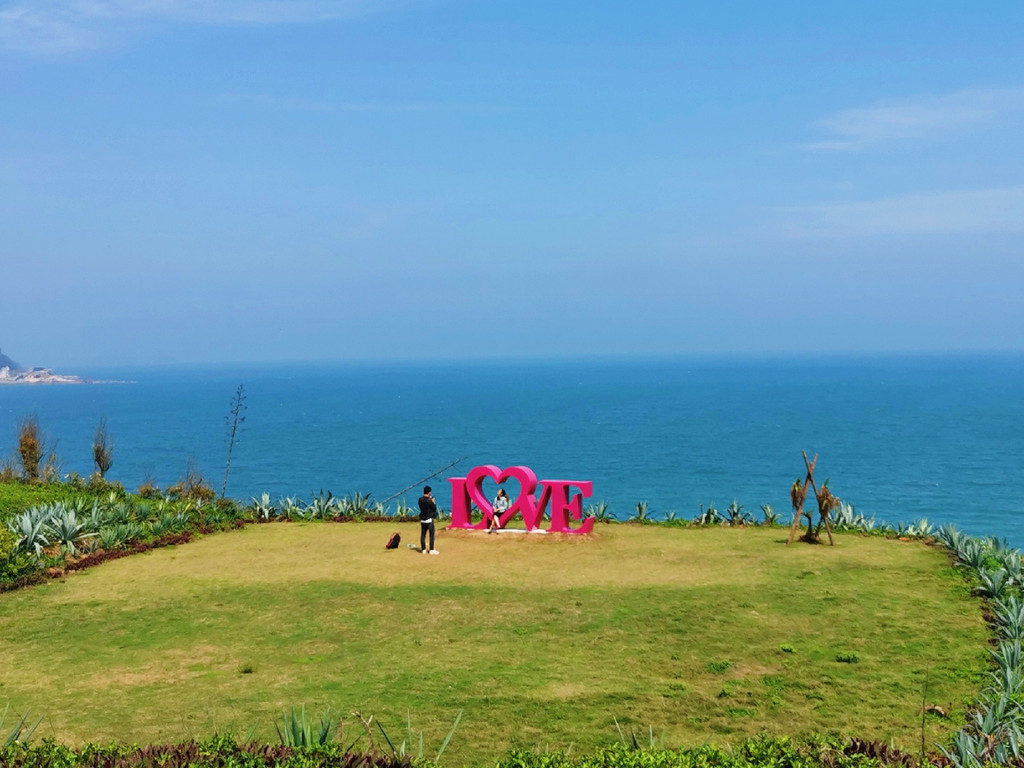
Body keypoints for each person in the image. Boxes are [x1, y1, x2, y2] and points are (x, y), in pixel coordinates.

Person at [418, 486, 439, 554]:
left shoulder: (420, 500)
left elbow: (424, 502)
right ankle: (431, 550)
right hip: (429, 520)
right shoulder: (429, 501)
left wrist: (430, 500)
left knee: (423, 535)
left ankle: (423, 549)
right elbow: (434, 508)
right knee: (431, 535)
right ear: (429, 492)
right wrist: (433, 501)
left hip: (422, 520)